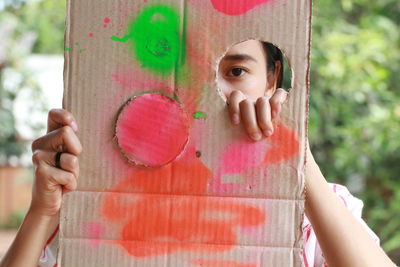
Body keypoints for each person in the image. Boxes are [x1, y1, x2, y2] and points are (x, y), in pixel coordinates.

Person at [0, 40, 396, 267]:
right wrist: (43, 213)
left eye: (236, 72)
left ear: (272, 79)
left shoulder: (319, 211)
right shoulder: (90, 204)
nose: (204, 96)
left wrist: (300, 165)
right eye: (181, 72)